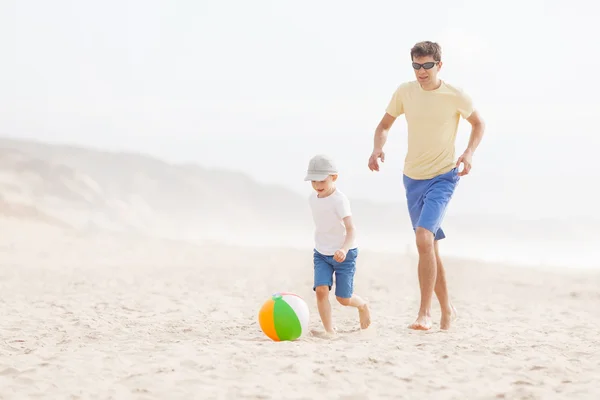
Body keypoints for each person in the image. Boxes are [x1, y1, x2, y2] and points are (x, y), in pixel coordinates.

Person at [368, 41, 485, 331]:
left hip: (444, 177)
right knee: (429, 246)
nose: (421, 71)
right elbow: (384, 125)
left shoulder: (454, 95)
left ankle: (425, 314)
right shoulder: (405, 92)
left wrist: (468, 153)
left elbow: (479, 123)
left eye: (427, 66)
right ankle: (447, 310)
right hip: (412, 178)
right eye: (416, 66)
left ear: (439, 65)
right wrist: (376, 148)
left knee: (422, 238)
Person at [304, 154, 371, 334]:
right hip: (321, 253)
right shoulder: (312, 199)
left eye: (322, 181)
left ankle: (362, 305)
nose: (317, 186)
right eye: (313, 181)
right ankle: (329, 332)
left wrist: (343, 249)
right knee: (320, 290)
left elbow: (351, 229)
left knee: (343, 298)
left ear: (334, 177)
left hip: (345, 254)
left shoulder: (339, 200)